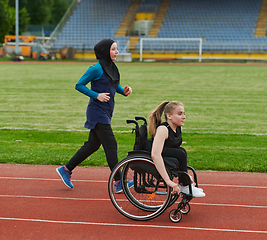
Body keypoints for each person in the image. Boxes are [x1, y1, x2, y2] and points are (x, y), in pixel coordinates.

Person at [56, 38, 133, 192]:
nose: (117, 52)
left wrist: (123, 91)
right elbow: (79, 85)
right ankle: (118, 181)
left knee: (92, 145)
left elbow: (113, 84)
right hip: (97, 112)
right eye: (113, 49)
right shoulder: (95, 69)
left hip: (107, 111)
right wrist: (96, 95)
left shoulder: (112, 67)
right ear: (105, 51)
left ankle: (66, 169)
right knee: (111, 145)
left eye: (116, 49)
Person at [148, 101, 205, 197]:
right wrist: (168, 181)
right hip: (156, 152)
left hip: (166, 153)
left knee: (181, 151)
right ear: (169, 116)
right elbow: (155, 154)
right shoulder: (163, 129)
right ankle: (184, 186)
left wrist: (185, 174)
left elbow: (175, 150)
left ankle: (184, 184)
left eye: (184, 114)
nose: (184, 117)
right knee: (181, 153)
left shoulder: (178, 128)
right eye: (180, 114)